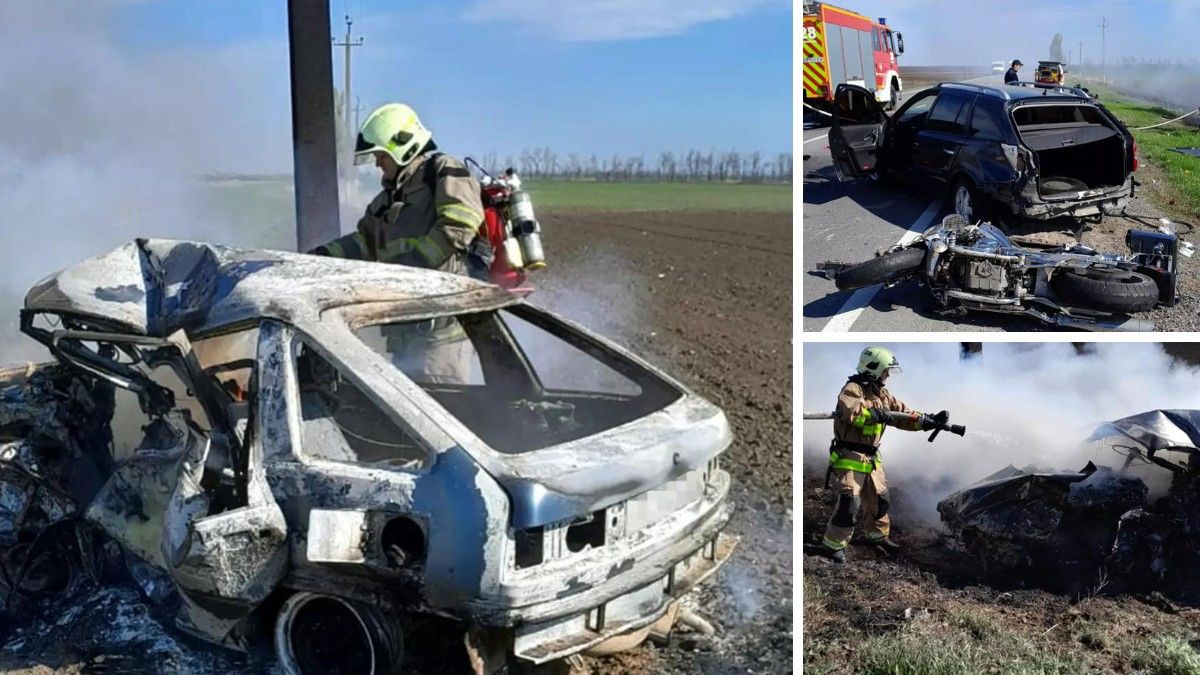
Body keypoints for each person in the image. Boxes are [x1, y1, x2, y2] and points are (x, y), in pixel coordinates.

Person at [310, 103, 487, 383]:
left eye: (381, 155)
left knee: (444, 415)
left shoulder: (442, 172)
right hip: (404, 338)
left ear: (402, 145)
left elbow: (460, 224)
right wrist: (319, 258)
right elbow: (364, 244)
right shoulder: (385, 202)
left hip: (439, 339)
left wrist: (410, 268)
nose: (378, 163)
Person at [809, 347, 952, 564]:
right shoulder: (852, 389)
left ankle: (877, 537)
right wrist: (874, 414)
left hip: (872, 459)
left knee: (879, 501)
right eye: (886, 371)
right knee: (849, 504)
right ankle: (833, 547)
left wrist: (927, 420)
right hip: (850, 456)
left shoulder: (882, 394)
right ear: (874, 369)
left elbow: (903, 415)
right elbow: (852, 413)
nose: (887, 376)